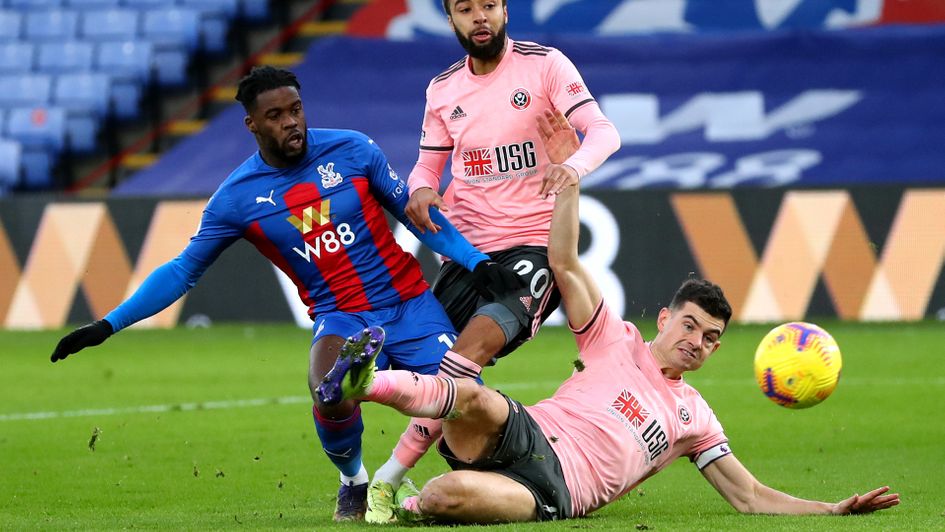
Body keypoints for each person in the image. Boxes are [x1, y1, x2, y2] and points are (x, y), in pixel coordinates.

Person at [315, 110, 901, 523]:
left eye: (711, 338)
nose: (697, 341)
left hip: (558, 492)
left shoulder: (695, 419)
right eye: (691, 325)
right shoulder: (611, 339)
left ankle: (402, 498)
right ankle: (366, 383)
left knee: (444, 498)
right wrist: (568, 174)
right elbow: (564, 263)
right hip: (527, 430)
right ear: (665, 319)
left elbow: (748, 498)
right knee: (472, 393)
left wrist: (833, 509)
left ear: (717, 351)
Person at [48, 66, 526, 522]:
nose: (291, 122)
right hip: (341, 316)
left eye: (295, 109)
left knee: (465, 401)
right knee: (330, 392)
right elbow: (182, 271)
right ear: (251, 124)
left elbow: (416, 215)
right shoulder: (236, 198)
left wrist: (476, 261)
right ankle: (355, 479)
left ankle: (414, 478)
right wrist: (107, 324)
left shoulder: (353, 149)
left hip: (410, 303)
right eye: (275, 116)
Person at [364, 0, 622, 520]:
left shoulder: (545, 64)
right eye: (466, 8)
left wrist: (571, 166)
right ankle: (456, 465)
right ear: (451, 17)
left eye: (489, 5)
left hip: (533, 250)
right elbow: (427, 167)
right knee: (433, 367)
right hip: (469, 255)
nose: (479, 16)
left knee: (464, 357)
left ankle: (387, 482)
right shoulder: (443, 89)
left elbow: (605, 132)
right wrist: (420, 191)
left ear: (505, 10)